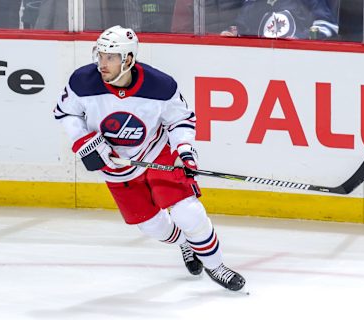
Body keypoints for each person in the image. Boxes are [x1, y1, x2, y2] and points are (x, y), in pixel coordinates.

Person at [53, 25, 246, 291]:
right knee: (152, 227)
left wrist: (184, 150)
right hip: (115, 167)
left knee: (188, 212)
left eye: (110, 57)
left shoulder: (160, 85)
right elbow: (66, 113)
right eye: (100, 55)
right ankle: (185, 244)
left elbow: (180, 119)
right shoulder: (82, 81)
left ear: (129, 59)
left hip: (156, 153)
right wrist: (84, 140)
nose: (102, 64)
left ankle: (216, 266)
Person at [221, 0, 339, 40]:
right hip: (261, 62)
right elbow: (241, 25)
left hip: (299, 61)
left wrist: (302, 39)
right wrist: (232, 33)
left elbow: (327, 25)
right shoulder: (254, 2)